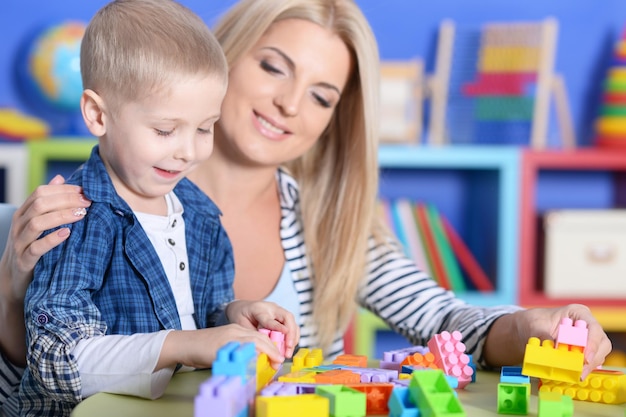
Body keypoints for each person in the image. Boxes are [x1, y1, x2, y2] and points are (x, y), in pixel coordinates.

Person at [0, 0, 613, 411]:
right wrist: (8, 304)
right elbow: (42, 385)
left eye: (321, 96)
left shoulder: (324, 225)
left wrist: (530, 326)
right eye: (273, 67)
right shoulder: (72, 213)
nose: (290, 105)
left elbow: (449, 323)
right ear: (222, 59)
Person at [15, 1, 298, 416]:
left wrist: (236, 317)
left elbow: (202, 315)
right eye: (165, 130)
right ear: (98, 114)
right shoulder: (74, 217)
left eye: (204, 127)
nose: (188, 151)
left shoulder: (200, 216)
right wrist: (185, 345)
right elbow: (56, 360)